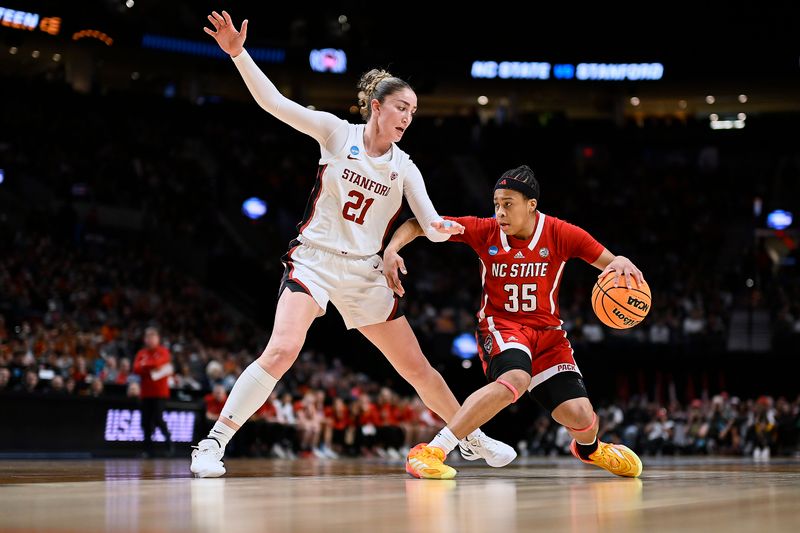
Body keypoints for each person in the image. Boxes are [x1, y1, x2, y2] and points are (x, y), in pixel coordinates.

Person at [191, 10, 514, 477]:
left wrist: (475, 228)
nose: (409, 116)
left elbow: (431, 223)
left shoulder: (406, 168)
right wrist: (239, 55)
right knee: (282, 349)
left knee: (417, 368)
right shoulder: (336, 133)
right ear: (377, 106)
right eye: (403, 106)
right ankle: (213, 443)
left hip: (364, 272)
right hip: (315, 261)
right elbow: (275, 104)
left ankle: (471, 437)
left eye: (414, 111)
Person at [383, 165, 645, 479]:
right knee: (516, 379)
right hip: (501, 326)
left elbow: (609, 261)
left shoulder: (560, 232)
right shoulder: (484, 230)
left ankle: (591, 450)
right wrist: (392, 248)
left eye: (508, 204)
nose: (500, 212)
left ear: (531, 205)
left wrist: (621, 261)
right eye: (496, 204)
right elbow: (418, 224)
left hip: (548, 335)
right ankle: (433, 450)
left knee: (581, 416)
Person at [133, 327, 174, 457]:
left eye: (153, 337)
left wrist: (146, 365)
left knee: (158, 419)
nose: (150, 340)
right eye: (148, 337)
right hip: (145, 393)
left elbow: (157, 363)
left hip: (160, 393)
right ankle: (148, 450)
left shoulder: (163, 351)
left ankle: (169, 445)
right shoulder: (141, 353)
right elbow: (136, 369)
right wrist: (149, 366)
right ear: (145, 339)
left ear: (158, 338)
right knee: (145, 422)